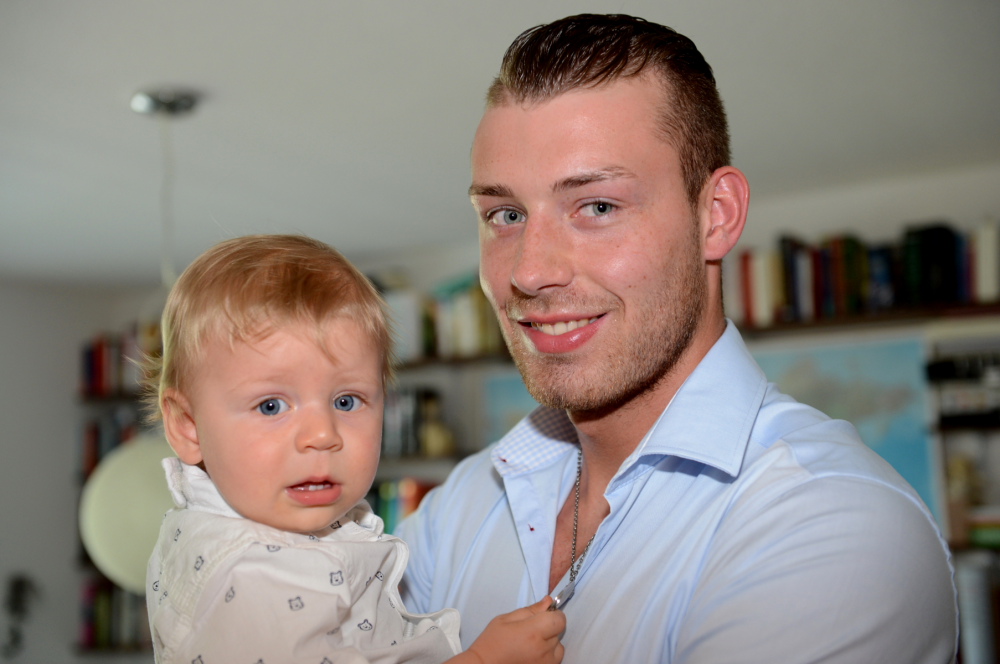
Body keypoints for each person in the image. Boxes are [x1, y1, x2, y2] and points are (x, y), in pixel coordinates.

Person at [397, 13, 958, 663]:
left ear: (715, 216)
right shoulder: (461, 505)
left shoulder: (834, 526)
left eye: (597, 206)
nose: (528, 271)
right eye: (506, 214)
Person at [143, 235, 565, 664]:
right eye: (271, 406)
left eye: (346, 401)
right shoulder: (255, 577)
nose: (322, 434)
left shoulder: (261, 536)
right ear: (188, 427)